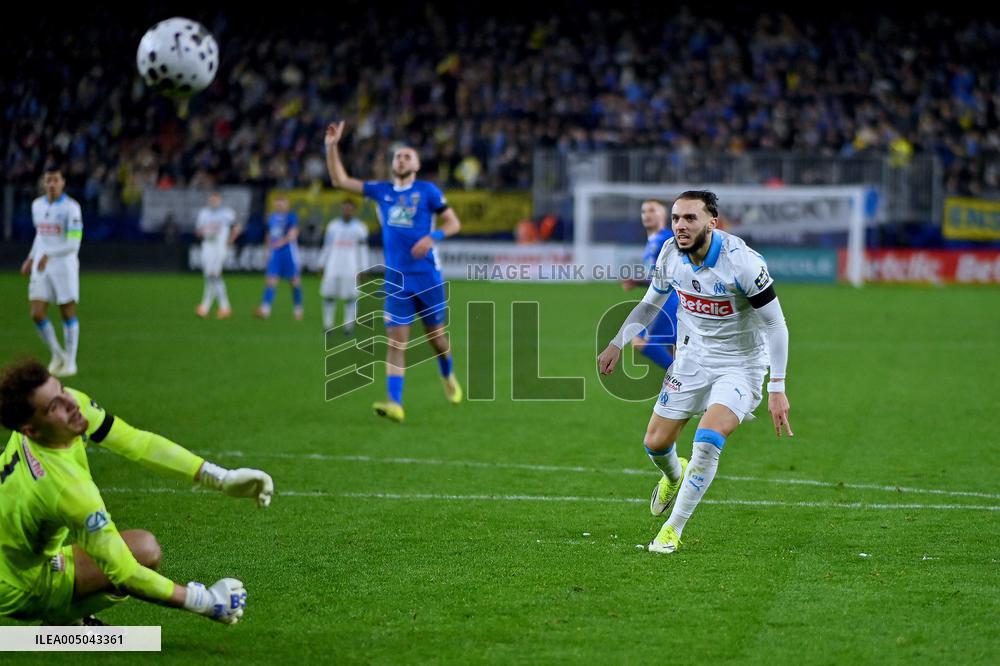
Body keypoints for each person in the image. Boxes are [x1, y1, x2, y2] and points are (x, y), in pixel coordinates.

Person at [0, 358, 274, 624]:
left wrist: (220, 478)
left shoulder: (68, 410)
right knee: (144, 551)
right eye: (54, 406)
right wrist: (207, 601)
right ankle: (62, 619)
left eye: (61, 388)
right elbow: (125, 573)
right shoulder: (66, 489)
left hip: (14, 556)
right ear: (31, 431)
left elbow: (137, 443)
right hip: (20, 586)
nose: (70, 403)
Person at [597, 191, 793, 554]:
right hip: (691, 359)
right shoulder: (671, 253)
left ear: (711, 223)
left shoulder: (743, 263)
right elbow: (649, 304)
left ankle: (672, 530)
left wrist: (777, 387)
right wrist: (616, 342)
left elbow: (777, 325)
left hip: (740, 365)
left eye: (689, 218)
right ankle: (674, 475)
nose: (680, 226)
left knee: (708, 438)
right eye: (675, 218)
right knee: (655, 443)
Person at [324, 121, 462, 422]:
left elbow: (454, 223)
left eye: (407, 156)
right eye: (398, 156)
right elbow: (340, 180)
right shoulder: (381, 191)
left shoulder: (428, 191)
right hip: (397, 279)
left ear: (417, 164)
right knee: (396, 341)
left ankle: (447, 375)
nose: (401, 160)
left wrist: (432, 238)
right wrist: (332, 146)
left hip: (427, 277)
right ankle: (395, 403)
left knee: (436, 339)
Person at [20, 165, 82, 378]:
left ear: (63, 182)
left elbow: (73, 244)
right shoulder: (37, 205)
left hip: (64, 266)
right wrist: (31, 257)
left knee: (67, 312)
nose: (52, 184)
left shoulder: (72, 208)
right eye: (48, 180)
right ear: (43, 183)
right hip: (41, 265)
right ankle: (58, 354)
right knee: (36, 313)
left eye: (56, 180)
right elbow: (40, 235)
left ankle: (71, 362)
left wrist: (50, 254)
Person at [621, 199, 679, 371]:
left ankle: (679, 380)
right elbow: (659, 276)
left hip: (666, 300)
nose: (647, 215)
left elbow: (672, 273)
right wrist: (638, 282)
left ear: (663, 214)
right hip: (670, 299)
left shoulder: (666, 238)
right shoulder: (653, 241)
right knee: (678, 348)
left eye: (652, 210)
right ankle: (687, 387)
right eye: (644, 211)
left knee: (640, 341)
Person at [318, 200, 370, 334]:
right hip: (333, 265)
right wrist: (322, 263)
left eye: (349, 209)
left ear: (354, 211)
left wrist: (364, 267)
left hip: (351, 267)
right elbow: (327, 246)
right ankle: (328, 325)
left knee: (351, 296)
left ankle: (348, 326)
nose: (346, 211)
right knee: (329, 295)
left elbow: (363, 250)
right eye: (344, 208)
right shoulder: (333, 226)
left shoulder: (360, 228)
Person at [254, 195, 303, 321]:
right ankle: (265, 310)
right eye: (278, 203)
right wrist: (267, 250)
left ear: (287, 204)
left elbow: (293, 234)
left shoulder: (291, 217)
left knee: (294, 282)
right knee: (271, 281)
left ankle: (298, 309)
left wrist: (279, 243)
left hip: (289, 252)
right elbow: (269, 235)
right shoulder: (271, 218)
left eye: (283, 203)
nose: (280, 205)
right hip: (275, 253)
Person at [194, 191, 242, 319]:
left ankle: (207, 307)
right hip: (207, 247)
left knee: (213, 275)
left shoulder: (226, 213)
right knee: (210, 276)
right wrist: (205, 231)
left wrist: (231, 240)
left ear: (220, 200)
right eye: (212, 199)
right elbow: (198, 231)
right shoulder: (203, 213)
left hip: (219, 248)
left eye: (216, 199)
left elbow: (237, 227)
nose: (213, 202)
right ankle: (223, 307)